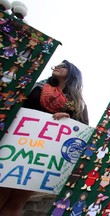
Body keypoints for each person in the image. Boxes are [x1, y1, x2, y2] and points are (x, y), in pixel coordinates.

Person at [0, 60, 89, 216]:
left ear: (72, 73)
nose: (59, 66)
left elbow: (81, 129)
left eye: (64, 66)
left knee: (17, 202)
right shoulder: (36, 87)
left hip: (41, 155)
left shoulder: (77, 103)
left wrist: (68, 118)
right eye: (58, 64)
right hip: (17, 145)